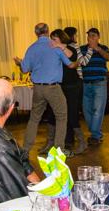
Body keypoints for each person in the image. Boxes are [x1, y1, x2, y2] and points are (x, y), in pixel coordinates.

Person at [15, 23, 75, 155]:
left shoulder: (31, 48)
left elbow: (24, 70)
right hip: (53, 88)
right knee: (61, 117)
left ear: (36, 33)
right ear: (48, 31)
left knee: (34, 118)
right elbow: (69, 63)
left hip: (38, 88)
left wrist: (19, 63)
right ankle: (59, 149)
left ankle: (26, 149)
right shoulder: (54, 46)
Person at [37, 29, 86, 154]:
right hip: (57, 86)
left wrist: (60, 46)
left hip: (72, 86)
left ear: (61, 39)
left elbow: (72, 57)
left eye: (54, 39)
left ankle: (82, 142)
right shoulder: (52, 50)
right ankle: (50, 143)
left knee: (72, 115)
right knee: (52, 115)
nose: (52, 41)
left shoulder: (70, 48)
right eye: (51, 38)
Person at [78, 27, 109, 145]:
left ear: (98, 37)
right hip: (86, 83)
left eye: (93, 36)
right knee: (86, 110)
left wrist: (97, 49)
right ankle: (96, 133)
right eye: (89, 36)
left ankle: (95, 136)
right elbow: (79, 62)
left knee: (98, 110)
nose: (90, 38)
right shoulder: (82, 49)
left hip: (99, 83)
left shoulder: (103, 48)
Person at [63, 26, 88, 153]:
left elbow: (81, 62)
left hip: (73, 83)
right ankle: (69, 140)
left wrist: (76, 63)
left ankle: (77, 141)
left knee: (71, 113)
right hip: (71, 83)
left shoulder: (71, 48)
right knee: (68, 113)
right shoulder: (69, 48)